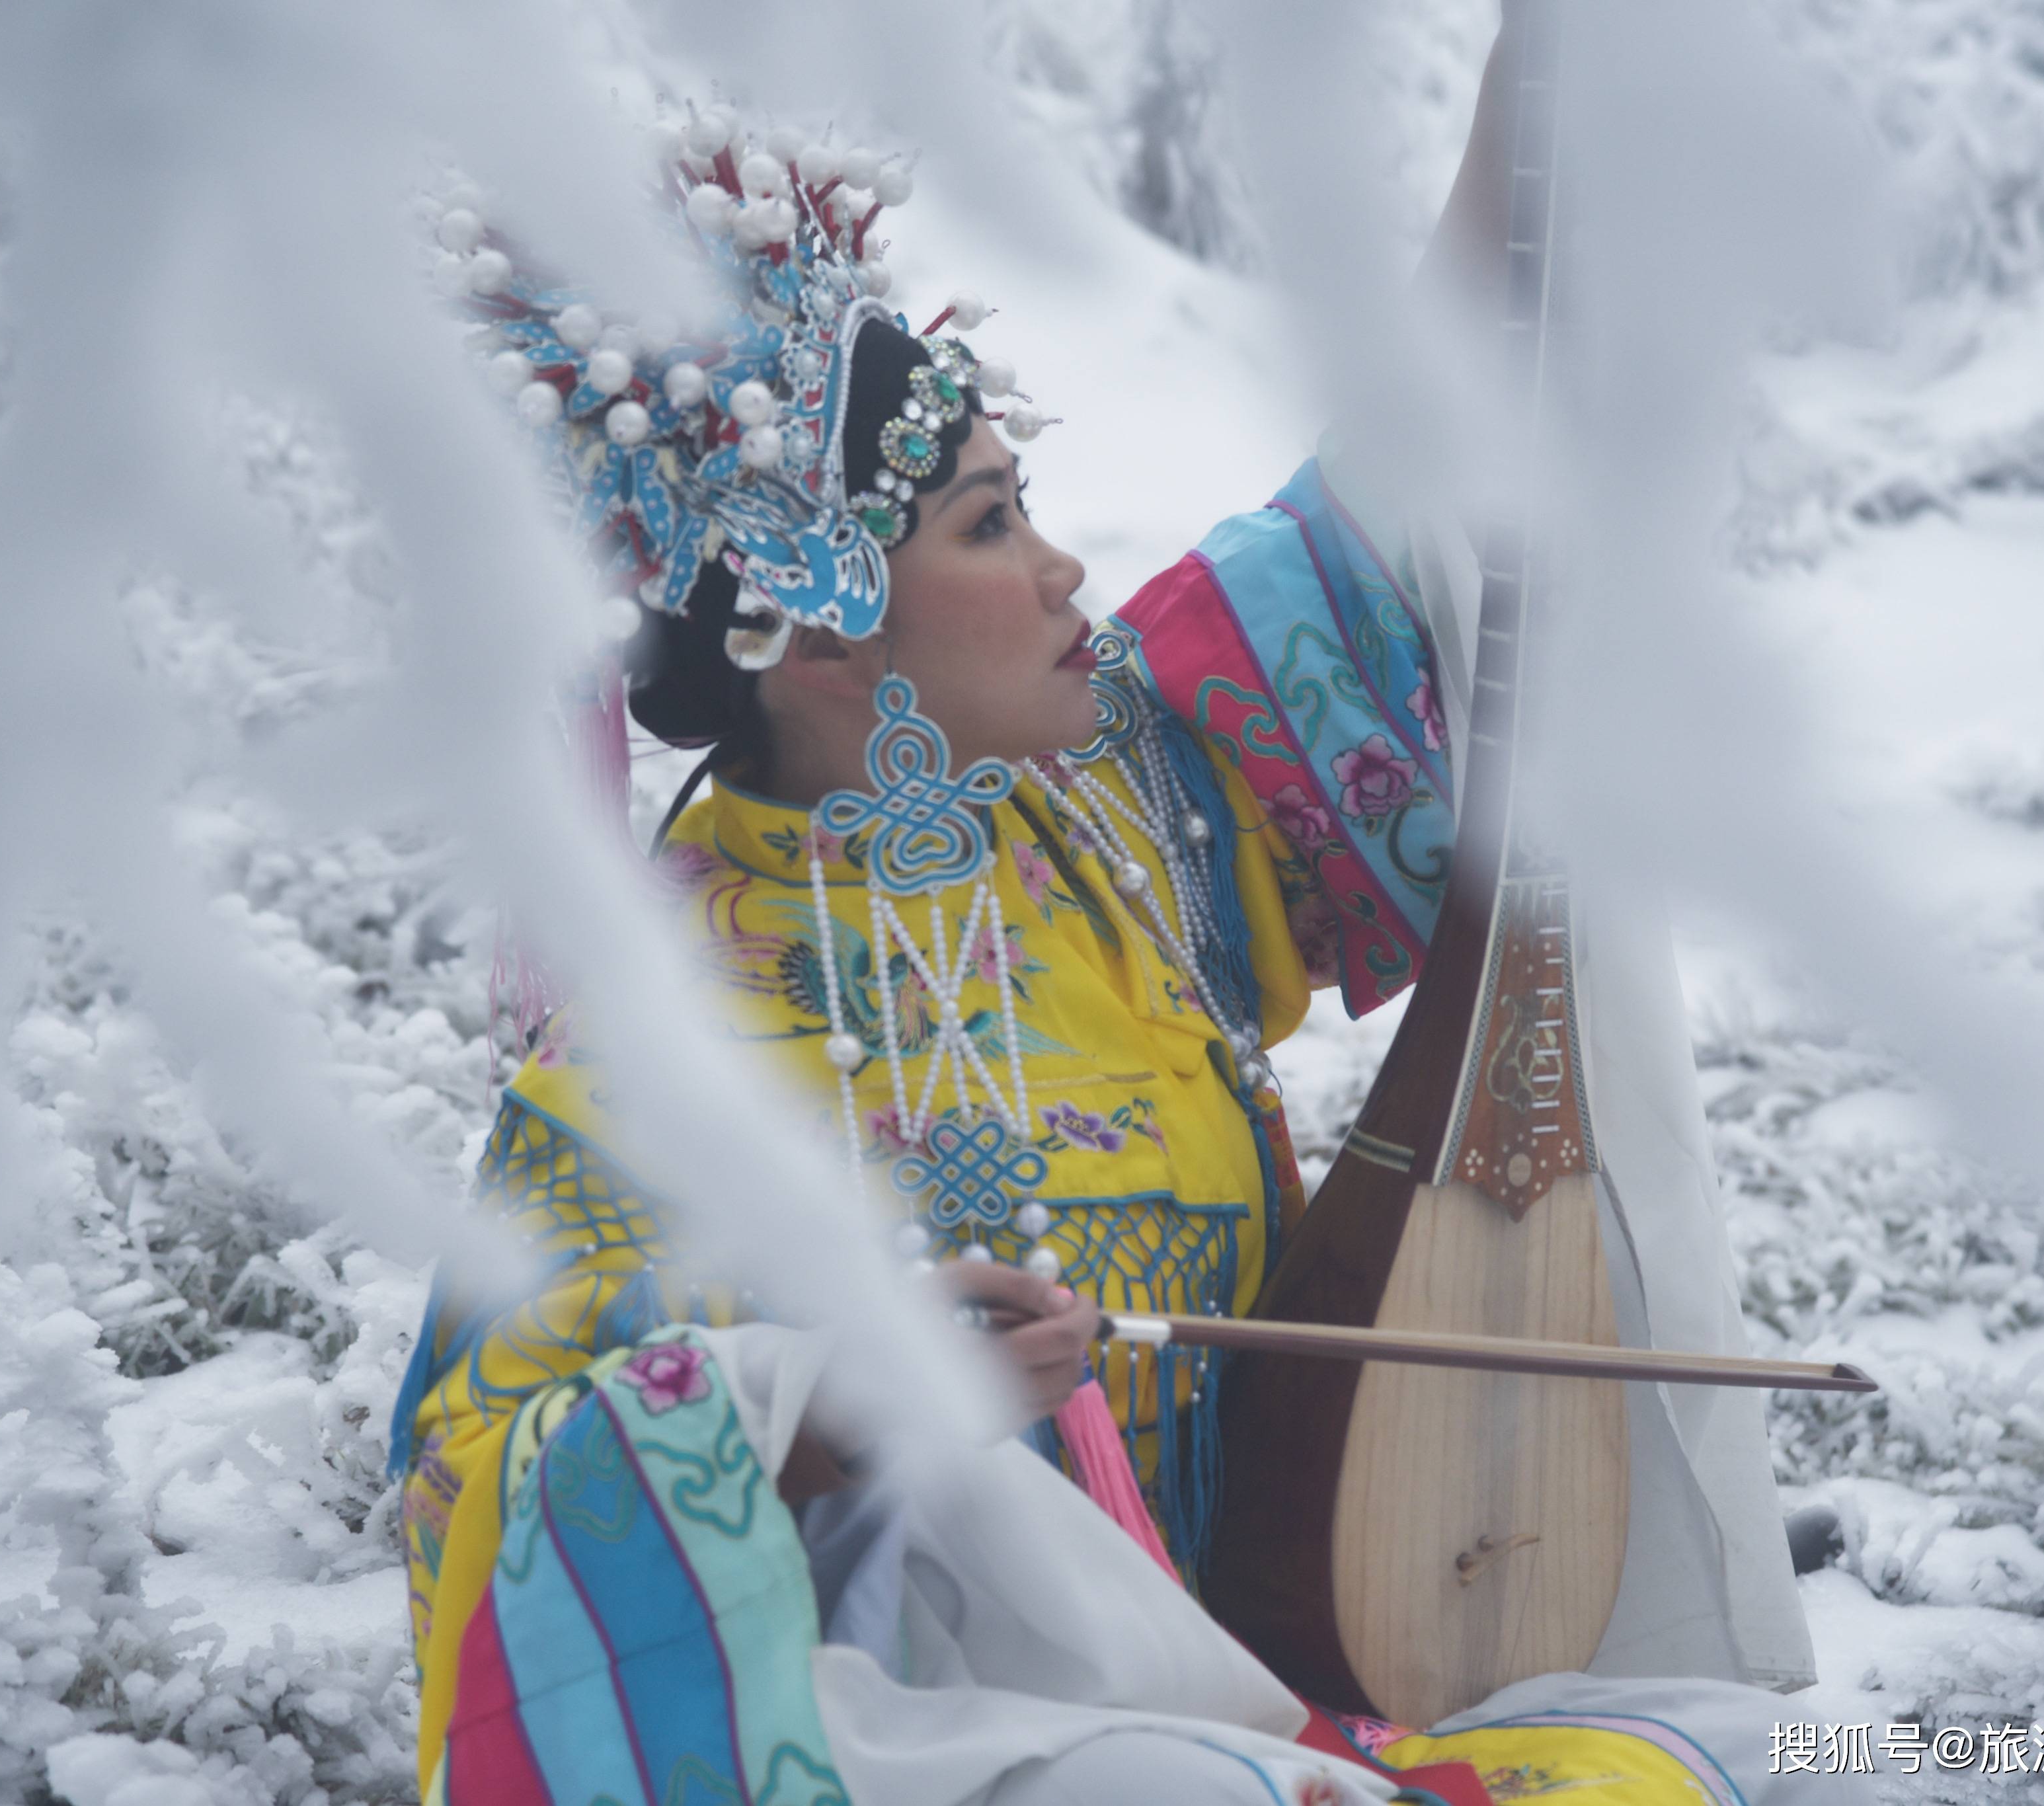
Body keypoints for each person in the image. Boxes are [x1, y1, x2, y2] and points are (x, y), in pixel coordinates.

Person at [390, 38, 1868, 1806]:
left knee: (1769, 1760)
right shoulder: (656, 1041)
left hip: (1278, 1657)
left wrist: (1535, 69)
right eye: (992, 522)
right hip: (941, 1745)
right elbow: (468, 1504)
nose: (1063, 568)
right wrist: (831, 1405)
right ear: (831, 628)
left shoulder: (1130, 809)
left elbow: (1420, 463)